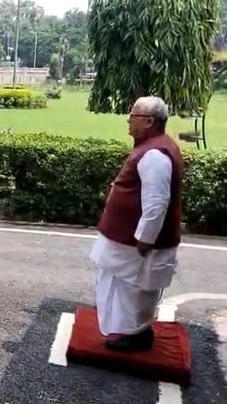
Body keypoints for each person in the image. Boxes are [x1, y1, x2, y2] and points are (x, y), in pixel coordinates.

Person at [90, 96, 184, 352]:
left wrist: (145, 239)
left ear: (150, 122)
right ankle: (127, 330)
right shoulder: (152, 148)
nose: (128, 121)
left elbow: (157, 203)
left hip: (137, 244)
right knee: (123, 288)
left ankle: (135, 334)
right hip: (126, 241)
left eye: (133, 117)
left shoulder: (155, 154)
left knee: (135, 290)